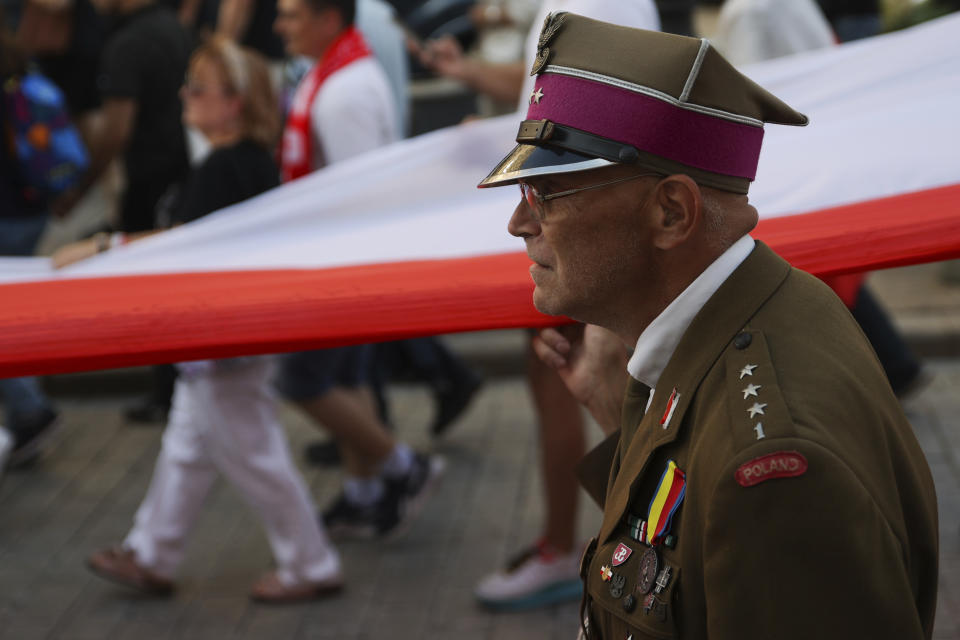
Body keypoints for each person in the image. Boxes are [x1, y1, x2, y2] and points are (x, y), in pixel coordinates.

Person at [478, 12, 938, 637]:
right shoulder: (757, 309)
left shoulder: (772, 472)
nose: (518, 224)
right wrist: (625, 424)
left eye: (547, 194)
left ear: (671, 213)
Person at [56, 37, 343, 603]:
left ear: (234, 101)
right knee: (187, 447)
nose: (186, 96)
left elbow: (186, 243)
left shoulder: (229, 164)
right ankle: (151, 552)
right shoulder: (239, 161)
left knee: (253, 456)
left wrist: (104, 245)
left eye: (199, 88)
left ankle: (310, 562)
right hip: (221, 336)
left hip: (224, 338)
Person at [419, 0, 660, 612]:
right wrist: (473, 75)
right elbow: (544, 95)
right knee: (576, 374)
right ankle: (630, 544)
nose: (512, 226)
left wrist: (579, 224)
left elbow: (608, 119)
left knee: (575, 374)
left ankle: (610, 548)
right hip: (582, 210)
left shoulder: (586, 5)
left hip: (587, 216)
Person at [273, 0, 444, 539]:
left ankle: (403, 468)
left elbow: (357, 194)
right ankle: (363, 492)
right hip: (346, 259)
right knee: (350, 376)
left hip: (341, 263)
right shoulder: (339, 69)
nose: (279, 25)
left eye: (291, 15)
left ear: (327, 18)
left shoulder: (343, 90)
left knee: (301, 378)